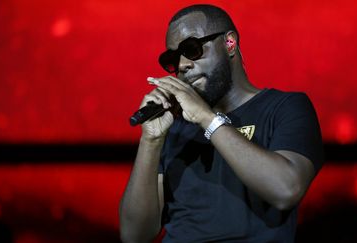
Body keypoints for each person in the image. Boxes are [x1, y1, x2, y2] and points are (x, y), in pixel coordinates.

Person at [119, 4, 324, 243]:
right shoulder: (173, 129)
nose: (183, 64)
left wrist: (207, 118)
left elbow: (286, 189)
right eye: (173, 58)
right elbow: (134, 235)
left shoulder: (285, 107)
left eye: (192, 49)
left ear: (229, 43)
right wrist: (151, 140)